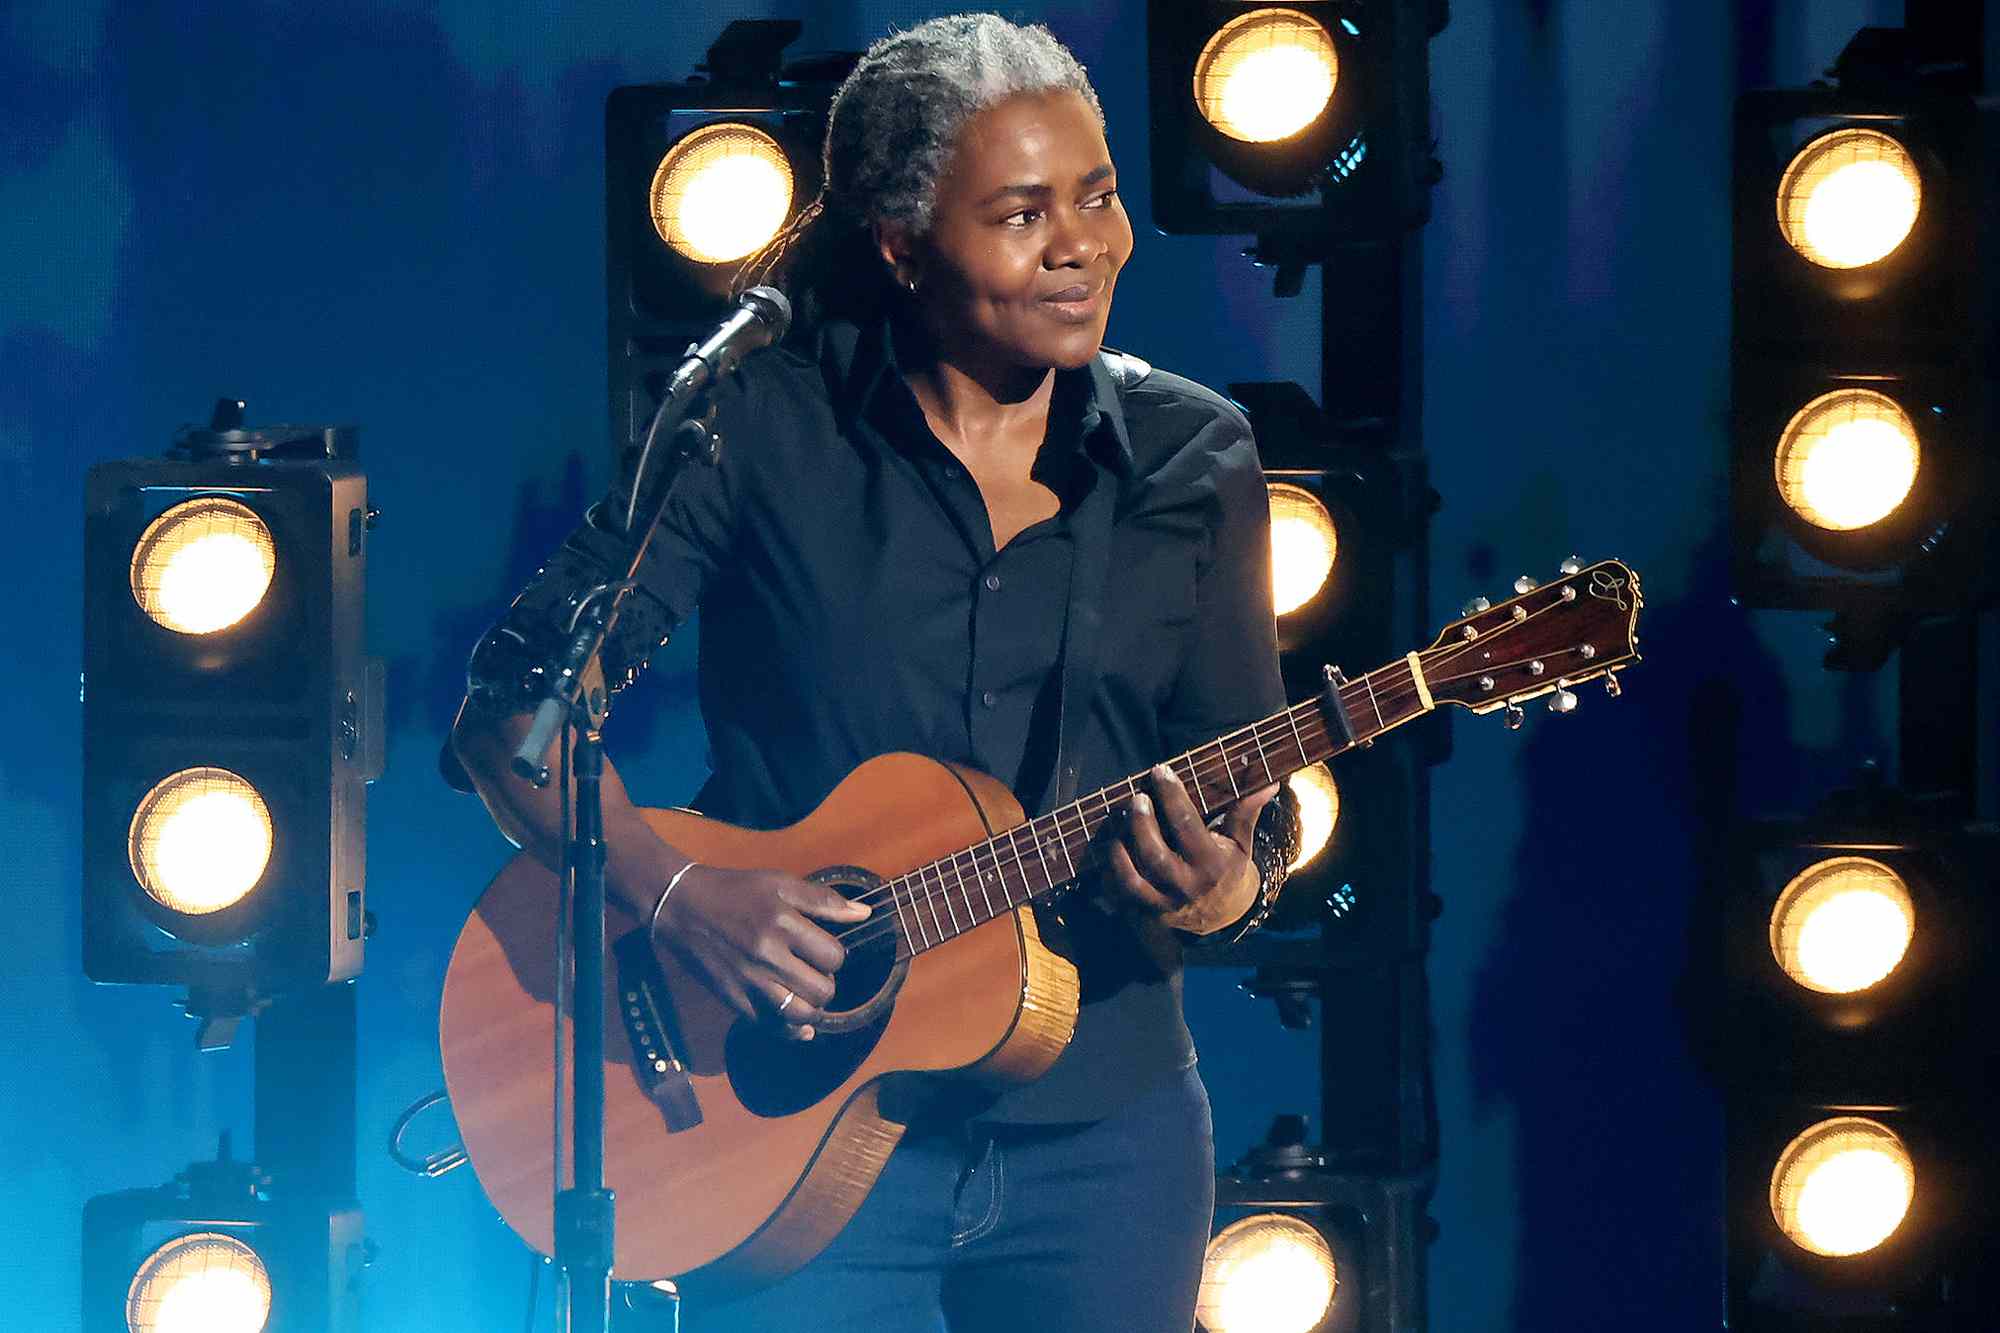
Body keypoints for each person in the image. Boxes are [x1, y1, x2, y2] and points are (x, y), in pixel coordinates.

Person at [451, 14, 1299, 1331]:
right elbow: (513, 714)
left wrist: (1227, 880)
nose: (1084, 243)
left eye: (1099, 195)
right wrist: (679, 892)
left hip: (1107, 1141)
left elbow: (1255, 797)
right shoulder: (756, 422)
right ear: (904, 247)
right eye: (1023, 212)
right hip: (770, 1124)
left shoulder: (1197, 461)